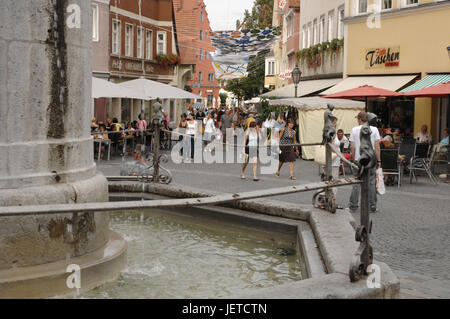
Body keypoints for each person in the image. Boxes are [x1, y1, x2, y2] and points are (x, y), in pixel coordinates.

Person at [348, 112, 381, 214]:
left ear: (359, 119)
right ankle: (372, 206)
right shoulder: (374, 129)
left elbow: (352, 147)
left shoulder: (354, 129)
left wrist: (353, 159)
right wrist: (379, 160)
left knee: (356, 183)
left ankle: (353, 205)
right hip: (371, 159)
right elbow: (377, 147)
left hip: (359, 159)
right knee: (371, 183)